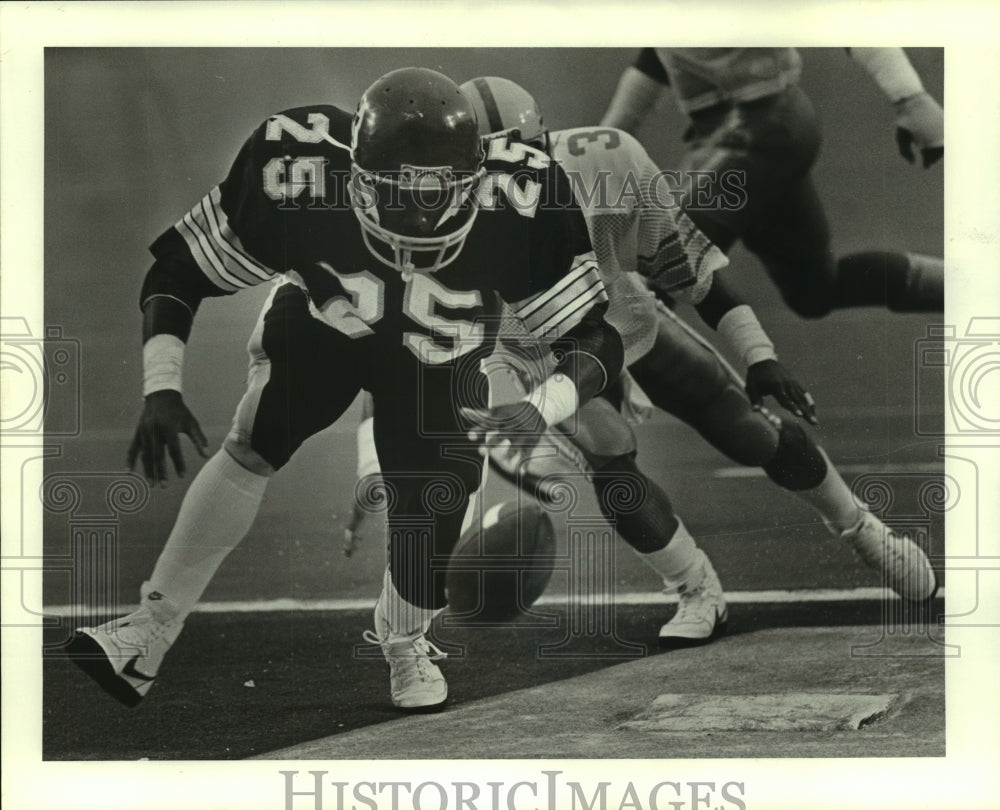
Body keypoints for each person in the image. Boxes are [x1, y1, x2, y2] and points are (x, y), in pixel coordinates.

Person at [66, 67, 625, 713]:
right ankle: (148, 630)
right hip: (326, 321)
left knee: (435, 523)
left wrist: (539, 405)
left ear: (478, 172)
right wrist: (160, 386)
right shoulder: (298, 167)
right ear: (355, 172)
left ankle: (404, 642)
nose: (423, 206)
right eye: (401, 188)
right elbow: (176, 272)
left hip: (435, 356)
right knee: (255, 440)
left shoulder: (523, 191)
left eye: (443, 187)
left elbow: (593, 338)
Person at [454, 76, 937, 643]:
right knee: (613, 468)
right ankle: (695, 588)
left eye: (519, 164)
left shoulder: (605, 164)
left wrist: (760, 357)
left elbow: (693, 273)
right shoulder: (433, 215)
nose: (508, 185)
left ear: (546, 145)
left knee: (750, 431)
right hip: (540, 351)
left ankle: (863, 531)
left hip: (622, 318)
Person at [600, 48, 944, 317]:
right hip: (746, 133)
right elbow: (658, 51)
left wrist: (911, 98)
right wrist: (605, 140)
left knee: (657, 264)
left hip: (763, 124)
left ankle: (600, 394)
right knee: (815, 291)